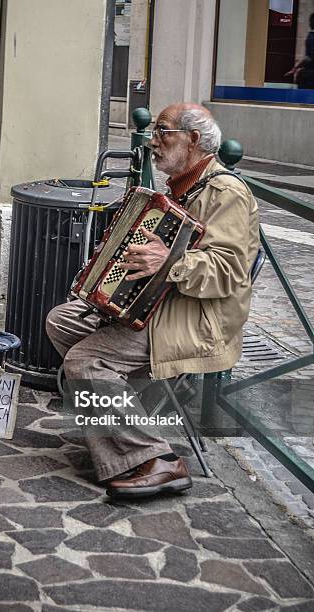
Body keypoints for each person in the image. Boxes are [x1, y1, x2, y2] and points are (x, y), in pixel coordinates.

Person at [46, 102, 260, 499]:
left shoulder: (225, 191)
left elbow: (229, 271)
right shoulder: (179, 187)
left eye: (163, 132)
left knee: (86, 361)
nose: (152, 142)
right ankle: (120, 419)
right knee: (62, 320)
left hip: (197, 319)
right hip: (162, 306)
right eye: (154, 133)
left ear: (193, 139)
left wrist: (171, 260)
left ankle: (157, 459)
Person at [286, 12, 314, 89]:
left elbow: (309, 57)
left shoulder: (311, 37)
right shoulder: (311, 37)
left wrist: (296, 68)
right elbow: (310, 57)